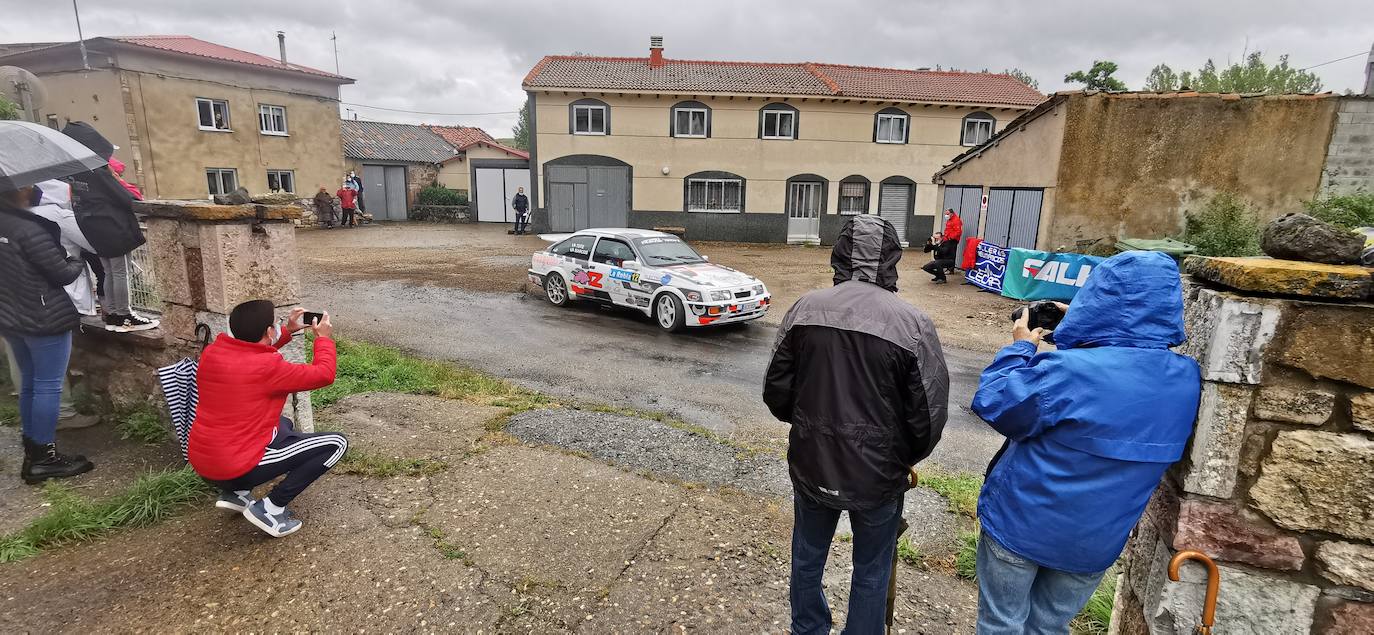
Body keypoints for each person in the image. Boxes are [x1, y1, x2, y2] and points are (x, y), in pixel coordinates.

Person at [970, 251, 1202, 633]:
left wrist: (1020, 347)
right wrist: (1077, 328)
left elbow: (997, 402)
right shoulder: (1186, 379)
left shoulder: (1066, 370)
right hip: (1095, 541)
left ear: (1099, 296)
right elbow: (1115, 375)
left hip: (1021, 522)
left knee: (1000, 624)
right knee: (1049, 628)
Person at [764, 215, 949, 634]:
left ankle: (808, 628)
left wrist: (811, 428)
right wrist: (904, 455)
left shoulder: (804, 309)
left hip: (813, 464)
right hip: (880, 474)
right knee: (871, 567)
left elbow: (777, 393)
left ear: (840, 253)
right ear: (890, 258)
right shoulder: (912, 324)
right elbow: (929, 415)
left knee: (807, 558)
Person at [188, 300, 344, 538]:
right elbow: (324, 374)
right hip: (235, 466)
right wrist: (323, 339)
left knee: (283, 425)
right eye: (275, 325)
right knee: (335, 444)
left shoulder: (212, 354)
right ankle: (271, 509)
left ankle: (237, 493)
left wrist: (287, 331)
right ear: (269, 331)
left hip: (204, 464)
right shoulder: (268, 367)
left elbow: (253, 350)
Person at [0, 183, 96, 483]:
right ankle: (44, 458)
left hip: (11, 315)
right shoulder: (29, 229)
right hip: (43, 315)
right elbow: (62, 273)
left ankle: (33, 446)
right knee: (48, 385)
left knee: (29, 382)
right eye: (27, 185)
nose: (32, 189)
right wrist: (75, 259)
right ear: (14, 191)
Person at [60, 122, 158, 333]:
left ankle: (113, 315)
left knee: (108, 271)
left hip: (92, 227)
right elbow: (125, 197)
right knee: (121, 272)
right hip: (112, 227)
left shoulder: (71, 172)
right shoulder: (96, 171)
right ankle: (124, 315)